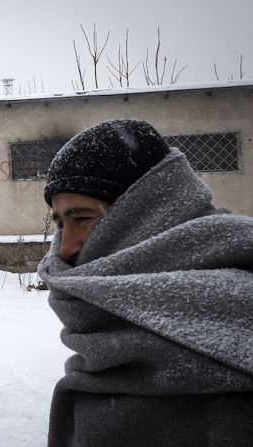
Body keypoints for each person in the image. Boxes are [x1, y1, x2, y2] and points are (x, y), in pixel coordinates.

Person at [37, 119, 253, 447]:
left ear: (146, 213)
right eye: (60, 222)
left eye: (82, 219)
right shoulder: (102, 328)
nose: (66, 248)